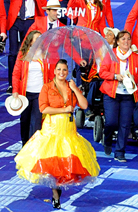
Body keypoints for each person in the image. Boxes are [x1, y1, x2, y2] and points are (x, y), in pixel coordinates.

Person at [14, 59, 100, 209]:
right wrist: (63, 110)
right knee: (53, 165)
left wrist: (75, 89)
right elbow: (43, 109)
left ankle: (57, 192)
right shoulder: (47, 87)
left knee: (64, 164)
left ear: (68, 72)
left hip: (68, 130)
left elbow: (85, 105)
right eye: (59, 69)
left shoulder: (70, 86)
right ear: (54, 71)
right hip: (52, 130)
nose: (61, 73)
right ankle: (55, 195)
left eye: (64, 70)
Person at [99, 30, 138, 163]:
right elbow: (102, 72)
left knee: (125, 125)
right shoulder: (111, 55)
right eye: (123, 39)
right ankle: (107, 139)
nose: (126, 42)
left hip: (128, 95)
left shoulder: (135, 57)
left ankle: (120, 152)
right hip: (112, 94)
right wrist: (115, 76)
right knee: (111, 122)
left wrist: (134, 78)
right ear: (117, 42)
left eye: (128, 39)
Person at [12, 30, 54, 146]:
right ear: (30, 41)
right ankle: (24, 144)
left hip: (40, 94)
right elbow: (16, 73)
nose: (39, 40)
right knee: (25, 121)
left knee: (36, 123)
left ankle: (33, 147)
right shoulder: (23, 54)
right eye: (36, 38)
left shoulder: (45, 55)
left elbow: (50, 75)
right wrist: (15, 90)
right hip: (25, 94)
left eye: (40, 38)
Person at [6, 0, 46, 93]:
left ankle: (25, 81)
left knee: (28, 51)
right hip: (15, 20)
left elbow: (43, 3)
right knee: (13, 53)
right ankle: (12, 84)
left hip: (30, 20)